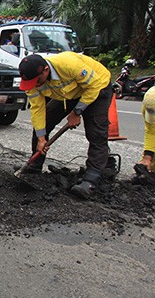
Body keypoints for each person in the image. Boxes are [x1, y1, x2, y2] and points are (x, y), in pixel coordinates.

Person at [18, 52, 113, 199]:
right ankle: (34, 166)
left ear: (45, 70)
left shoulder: (69, 64)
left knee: (96, 133)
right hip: (68, 93)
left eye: (37, 81)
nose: (35, 85)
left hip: (97, 86)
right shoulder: (32, 81)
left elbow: (93, 86)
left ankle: (91, 179)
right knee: (44, 123)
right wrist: (41, 138)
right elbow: (37, 110)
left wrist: (77, 112)